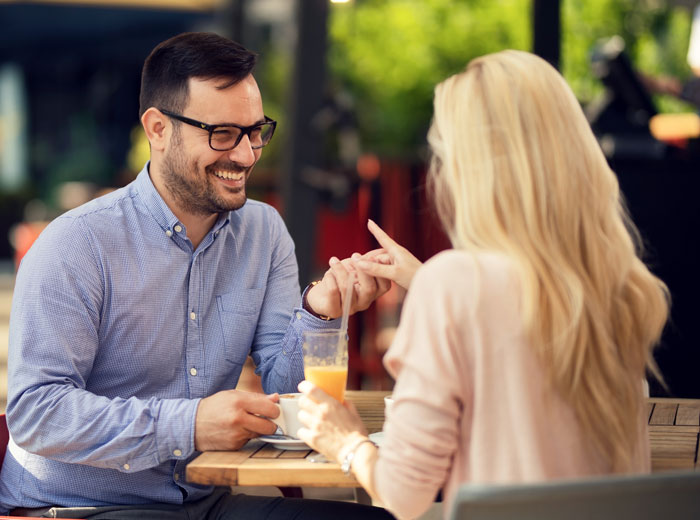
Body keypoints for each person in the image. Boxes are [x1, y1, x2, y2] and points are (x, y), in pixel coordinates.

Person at [0, 32, 393, 519]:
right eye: (223, 134)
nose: (247, 155)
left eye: (255, 132)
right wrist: (188, 425)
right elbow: (36, 413)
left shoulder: (263, 230)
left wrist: (320, 311)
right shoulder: (77, 245)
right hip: (81, 507)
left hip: (205, 500)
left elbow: (288, 394)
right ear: (158, 129)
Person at [296, 50, 670, 520]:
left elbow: (402, 493)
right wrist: (430, 281)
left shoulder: (454, 288)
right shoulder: (620, 283)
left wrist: (344, 440)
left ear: (472, 170)